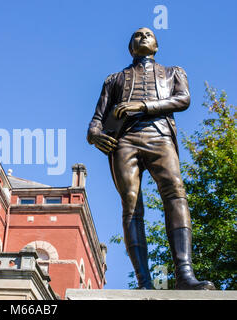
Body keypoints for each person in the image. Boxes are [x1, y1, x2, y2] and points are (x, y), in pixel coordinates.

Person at [87, 27, 215, 290]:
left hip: (160, 136)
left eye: (148, 34)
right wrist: (95, 135)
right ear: (130, 47)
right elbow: (96, 121)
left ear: (157, 46)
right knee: (131, 204)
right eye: (136, 35)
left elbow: (183, 99)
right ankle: (144, 282)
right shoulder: (114, 79)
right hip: (124, 141)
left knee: (175, 192)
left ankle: (185, 275)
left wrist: (143, 106)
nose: (142, 36)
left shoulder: (173, 73)